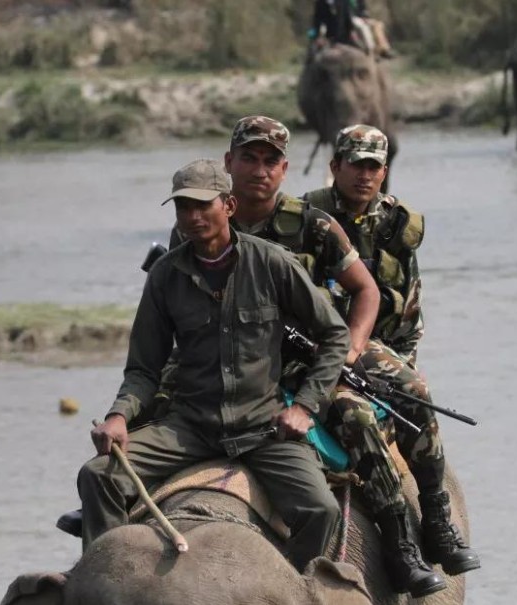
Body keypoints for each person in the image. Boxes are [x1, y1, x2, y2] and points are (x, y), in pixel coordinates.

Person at [171, 115, 446, 597]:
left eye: (270, 161)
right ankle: (112, 502)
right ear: (228, 162)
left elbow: (368, 293)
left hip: (304, 356)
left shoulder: (314, 223)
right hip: (221, 355)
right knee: (148, 399)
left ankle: (408, 536)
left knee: (360, 413)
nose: (259, 169)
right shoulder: (203, 220)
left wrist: (349, 352)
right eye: (249, 158)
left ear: (284, 168)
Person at [77, 158, 349, 573]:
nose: (193, 216)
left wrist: (305, 407)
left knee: (321, 509)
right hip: (191, 425)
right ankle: (108, 578)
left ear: (229, 207)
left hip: (262, 426)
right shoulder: (165, 276)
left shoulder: (271, 263)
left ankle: (293, 586)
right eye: (184, 207)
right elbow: (143, 370)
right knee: (98, 475)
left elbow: (335, 335)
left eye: (203, 205)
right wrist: (118, 417)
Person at [302, 124, 481, 576]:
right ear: (335, 166)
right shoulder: (305, 216)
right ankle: (396, 534)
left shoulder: (398, 224)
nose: (364, 175)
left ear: (383, 172)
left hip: (375, 345)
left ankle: (437, 517)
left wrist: (398, 369)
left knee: (415, 392)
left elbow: (409, 309)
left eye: (373, 166)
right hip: (315, 343)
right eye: (355, 164)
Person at [308, 0, 395, 59]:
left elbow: (360, 9)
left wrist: (364, 16)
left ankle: (376, 50)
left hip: (354, 20)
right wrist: (313, 36)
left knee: (375, 25)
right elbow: (316, 21)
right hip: (331, 30)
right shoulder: (321, 2)